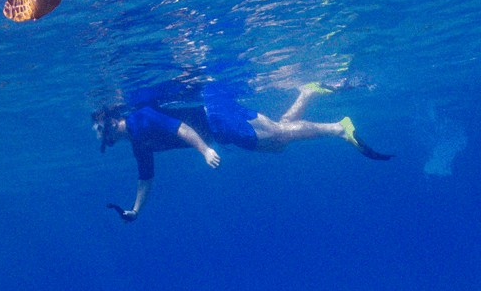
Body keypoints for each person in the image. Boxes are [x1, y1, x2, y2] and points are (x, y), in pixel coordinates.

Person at [93, 82, 393, 222]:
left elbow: (180, 129)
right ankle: (308, 92)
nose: (96, 134)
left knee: (276, 133)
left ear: (108, 121)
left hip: (215, 117)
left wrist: (205, 150)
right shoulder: (137, 140)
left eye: (97, 127)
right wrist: (135, 210)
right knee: (278, 143)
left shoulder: (138, 119)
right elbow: (145, 178)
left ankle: (339, 128)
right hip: (217, 127)